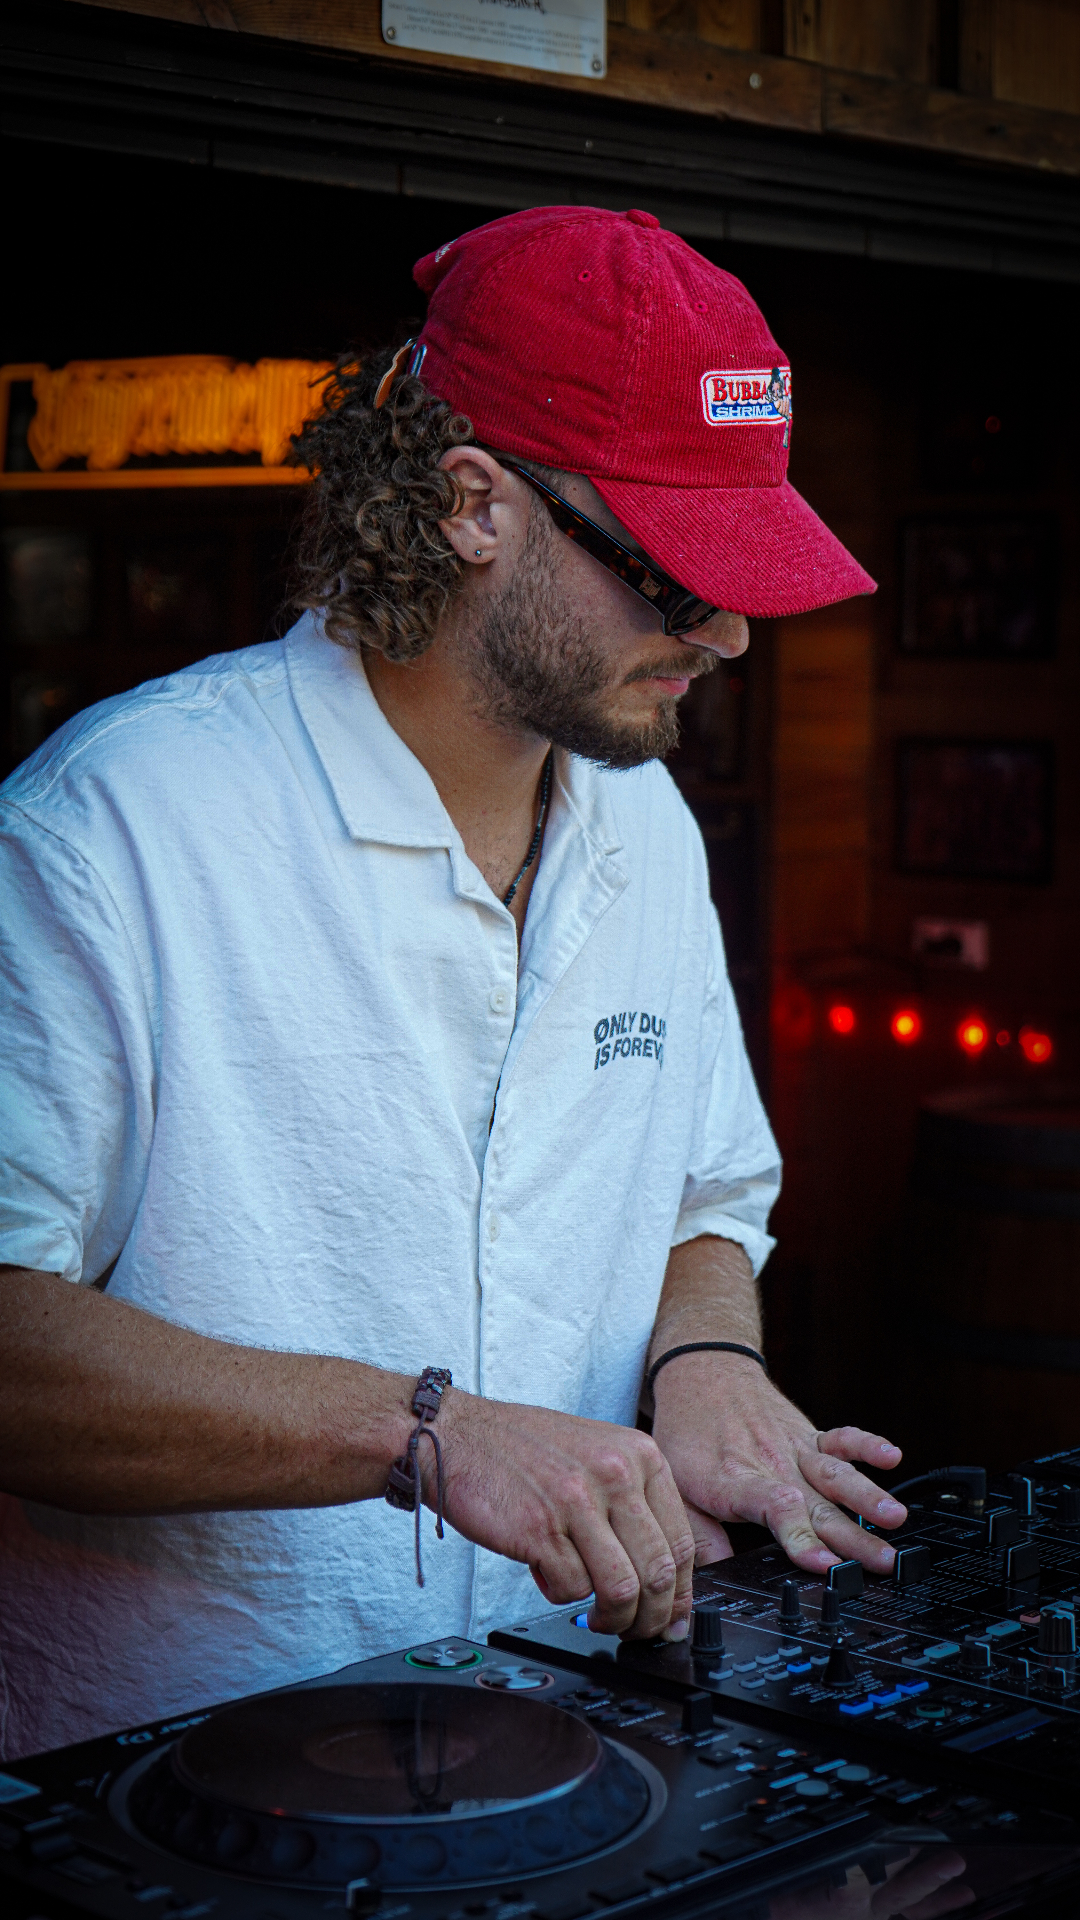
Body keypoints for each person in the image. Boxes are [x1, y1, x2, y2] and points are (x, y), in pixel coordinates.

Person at [0, 205, 907, 1762]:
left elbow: (704, 1194)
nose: (733, 631)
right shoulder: (111, 829)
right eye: (675, 573)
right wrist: (424, 1434)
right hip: (181, 1768)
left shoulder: (647, 823)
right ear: (473, 502)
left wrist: (707, 1360)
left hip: (575, 1736)